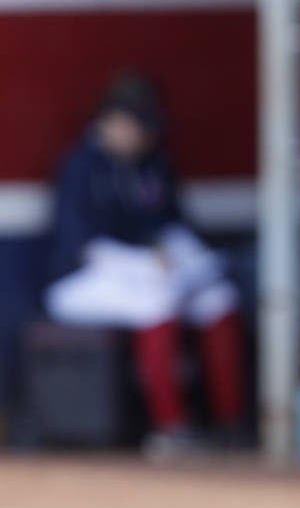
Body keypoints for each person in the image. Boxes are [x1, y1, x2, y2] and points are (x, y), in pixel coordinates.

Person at [42, 70, 247, 456]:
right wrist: (150, 266)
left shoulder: (153, 162)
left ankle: (230, 423)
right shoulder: (81, 165)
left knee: (218, 299)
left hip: (152, 275)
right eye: (135, 125)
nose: (142, 135)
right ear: (111, 121)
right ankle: (171, 428)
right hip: (79, 281)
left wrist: (190, 260)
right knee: (157, 302)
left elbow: (174, 226)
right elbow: (85, 248)